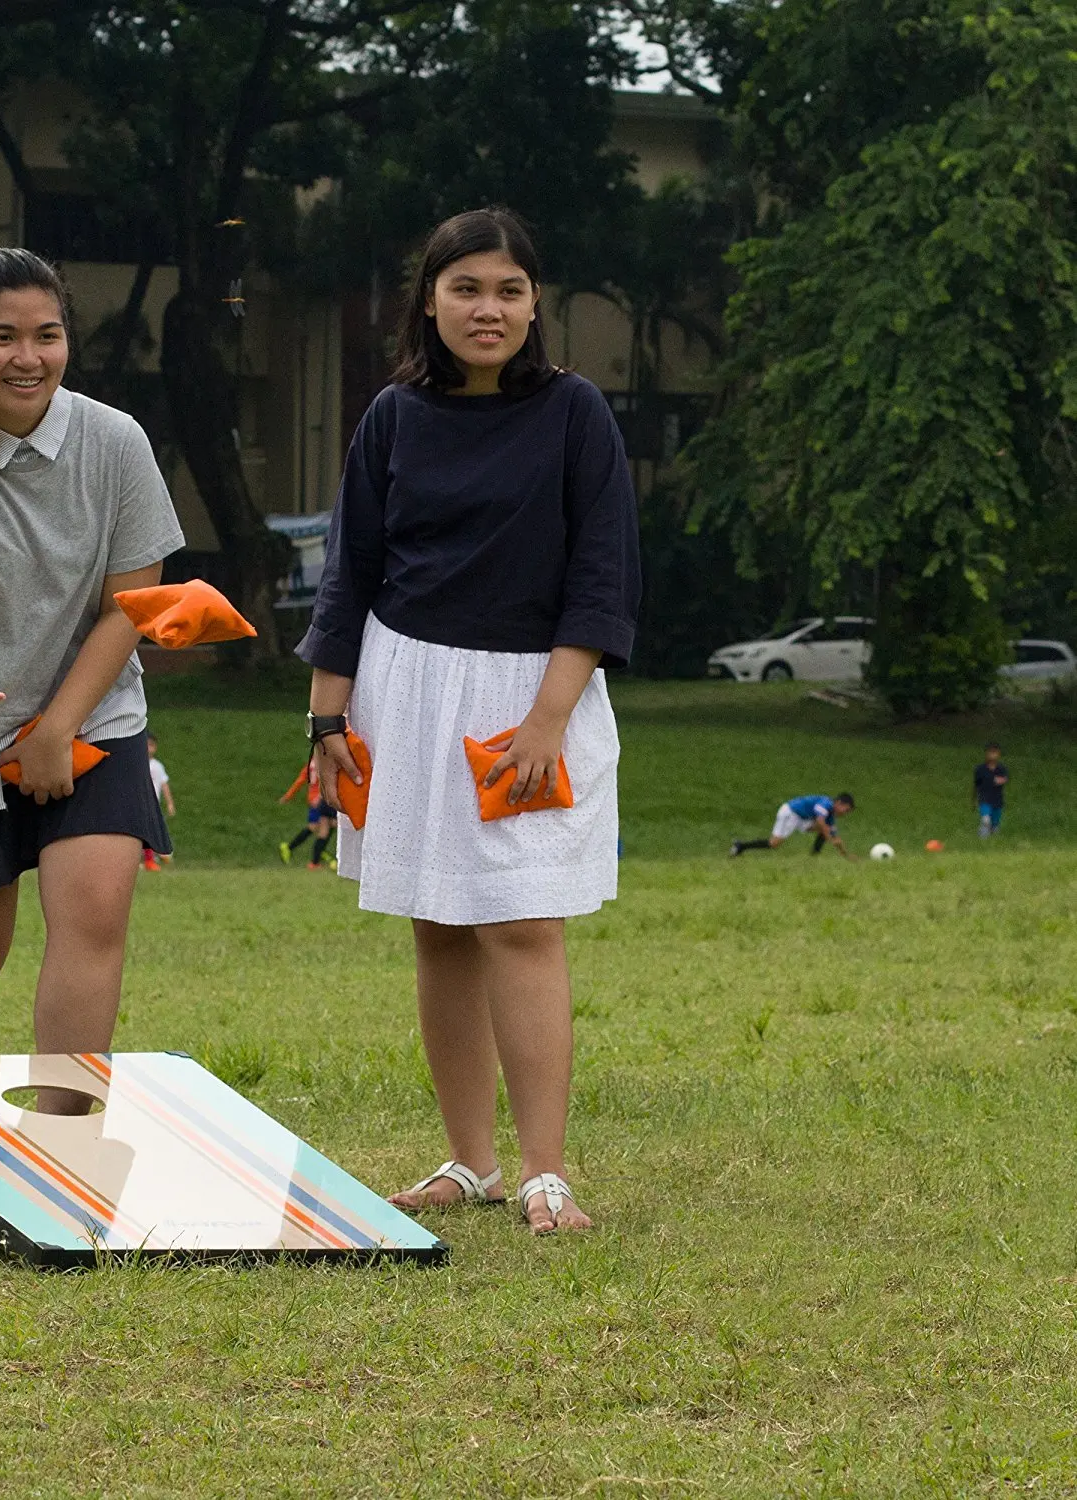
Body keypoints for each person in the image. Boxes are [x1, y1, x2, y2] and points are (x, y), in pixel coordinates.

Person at [296, 208, 641, 1235]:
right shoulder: (393, 418)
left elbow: (602, 573)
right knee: (439, 928)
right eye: (466, 289)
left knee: (524, 922)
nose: (487, 309)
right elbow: (349, 572)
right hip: (399, 691)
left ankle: (545, 1172)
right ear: (430, 301)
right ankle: (472, 1164)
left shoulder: (577, 414)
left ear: (535, 305)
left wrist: (547, 718)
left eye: (509, 291)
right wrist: (325, 724)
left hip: (534, 695)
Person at [0, 248, 185, 1106]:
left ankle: (63, 1153)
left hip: (93, 720)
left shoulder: (115, 441)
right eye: (2, 336)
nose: (28, 357)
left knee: (93, 923)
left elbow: (136, 603)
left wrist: (58, 727)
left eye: (46, 336)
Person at [730, 793, 856, 859]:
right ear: (839, 803)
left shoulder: (830, 815)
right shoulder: (826, 803)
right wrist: (830, 837)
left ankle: (814, 856)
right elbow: (820, 821)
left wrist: (846, 854)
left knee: (827, 829)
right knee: (774, 844)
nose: (845, 813)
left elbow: (834, 836)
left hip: (801, 818)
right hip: (791, 812)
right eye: (846, 809)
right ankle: (741, 846)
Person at [278, 756, 337, 871]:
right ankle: (296, 850)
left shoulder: (310, 764)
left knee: (325, 825)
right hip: (321, 800)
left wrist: (288, 796)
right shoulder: (324, 762)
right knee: (321, 826)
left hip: (313, 799)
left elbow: (300, 780)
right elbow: (326, 780)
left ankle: (319, 854)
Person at [145, 734, 175, 871]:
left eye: (151, 745)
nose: (148, 749)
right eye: (146, 745)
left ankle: (158, 854)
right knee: (146, 831)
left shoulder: (158, 766)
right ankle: (152, 858)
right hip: (141, 803)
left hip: (153, 804)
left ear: (155, 748)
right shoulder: (137, 764)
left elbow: (164, 785)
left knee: (154, 830)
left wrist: (170, 803)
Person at [974, 741, 1009, 838]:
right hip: (985, 798)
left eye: (995, 752)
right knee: (986, 820)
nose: (993, 755)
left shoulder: (1001, 769)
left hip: (997, 799)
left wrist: (1000, 780)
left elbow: (1004, 778)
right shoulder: (980, 769)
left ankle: (993, 835)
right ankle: (982, 836)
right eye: (991, 752)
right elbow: (978, 782)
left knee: (995, 824)